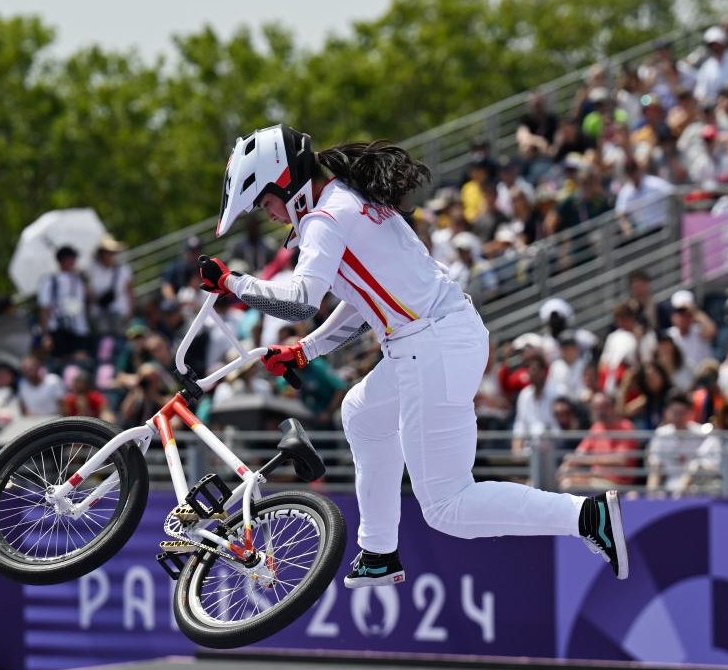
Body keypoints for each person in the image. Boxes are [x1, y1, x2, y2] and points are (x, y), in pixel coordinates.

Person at [201, 124, 630, 586]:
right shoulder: (343, 201)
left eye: (265, 202)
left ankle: (586, 516)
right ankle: (379, 552)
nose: (267, 215)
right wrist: (306, 350)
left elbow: (301, 300)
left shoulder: (327, 217)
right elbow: (363, 301)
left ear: (285, 181)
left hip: (431, 345)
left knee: (448, 507)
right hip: (434, 340)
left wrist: (232, 283)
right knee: (361, 413)